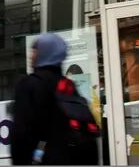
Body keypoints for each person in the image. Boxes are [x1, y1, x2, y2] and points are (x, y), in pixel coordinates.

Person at [11, 32, 98, 165]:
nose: (31, 56)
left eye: (34, 51)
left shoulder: (29, 85)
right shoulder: (67, 85)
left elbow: (21, 135)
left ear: (43, 53)